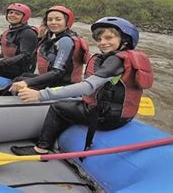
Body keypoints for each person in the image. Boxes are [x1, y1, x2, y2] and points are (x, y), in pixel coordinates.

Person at [10, 17, 154, 156]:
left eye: (109, 38)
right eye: (99, 39)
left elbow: (88, 87)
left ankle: (41, 148)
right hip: (118, 114)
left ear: (125, 39)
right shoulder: (123, 57)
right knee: (74, 102)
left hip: (107, 118)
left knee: (58, 107)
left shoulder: (115, 61)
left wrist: (41, 95)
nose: (102, 43)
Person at [9, 5, 90, 94]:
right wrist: (40, 37)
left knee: (20, 81)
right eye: (49, 20)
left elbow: (57, 72)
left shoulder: (66, 41)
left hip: (63, 86)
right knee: (23, 76)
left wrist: (26, 82)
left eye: (58, 19)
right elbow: (37, 55)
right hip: (55, 81)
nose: (53, 22)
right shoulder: (56, 38)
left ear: (67, 22)